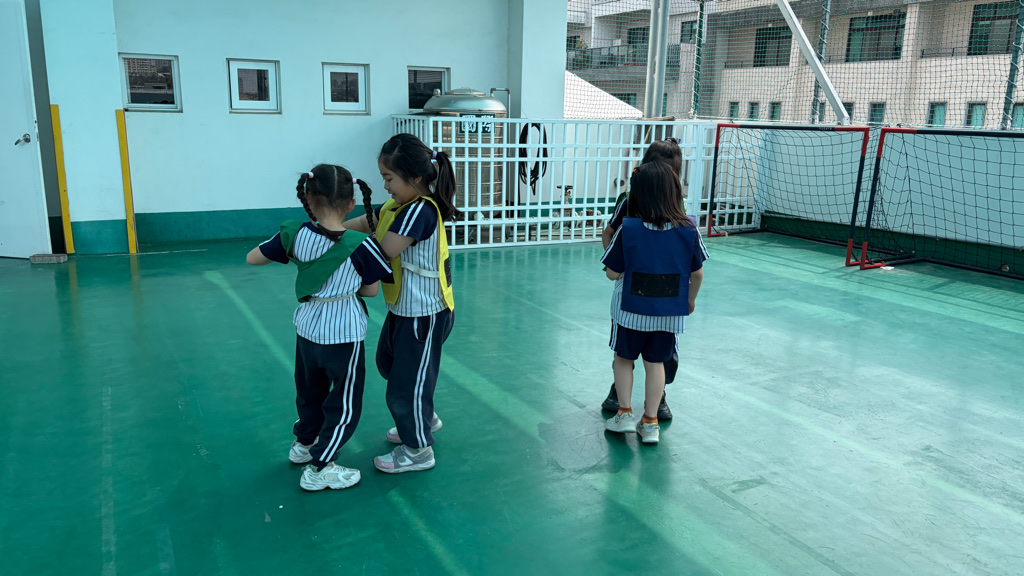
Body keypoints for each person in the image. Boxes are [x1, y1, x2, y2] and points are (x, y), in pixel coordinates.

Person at [246, 164, 391, 490]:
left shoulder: (294, 235)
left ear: (308, 199)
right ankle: (320, 467)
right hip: (344, 334)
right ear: (351, 203)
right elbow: (370, 291)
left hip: (308, 329)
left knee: (309, 391)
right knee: (344, 401)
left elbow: (253, 258)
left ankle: (304, 443)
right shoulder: (363, 245)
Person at [343, 133, 458, 473]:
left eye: (389, 178)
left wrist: (334, 261)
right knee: (391, 365)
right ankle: (423, 417)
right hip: (404, 309)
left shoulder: (419, 211)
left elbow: (382, 253)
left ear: (416, 177)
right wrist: (329, 231)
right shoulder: (399, 207)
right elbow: (366, 222)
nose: (385, 186)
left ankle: (418, 450)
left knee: (405, 384)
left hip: (424, 314)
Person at [601, 161, 708, 444]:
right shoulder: (688, 230)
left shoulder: (628, 229)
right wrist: (690, 300)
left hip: (629, 312)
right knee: (656, 363)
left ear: (638, 195)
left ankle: (624, 413)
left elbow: (612, 273)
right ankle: (650, 422)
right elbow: (697, 273)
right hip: (668, 313)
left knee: (623, 359)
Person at [601, 138, 685, 419]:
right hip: (637, 291)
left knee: (656, 352)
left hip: (664, 293)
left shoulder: (678, 205)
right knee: (628, 350)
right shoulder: (629, 200)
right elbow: (609, 233)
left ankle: (657, 398)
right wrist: (619, 262)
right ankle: (622, 395)